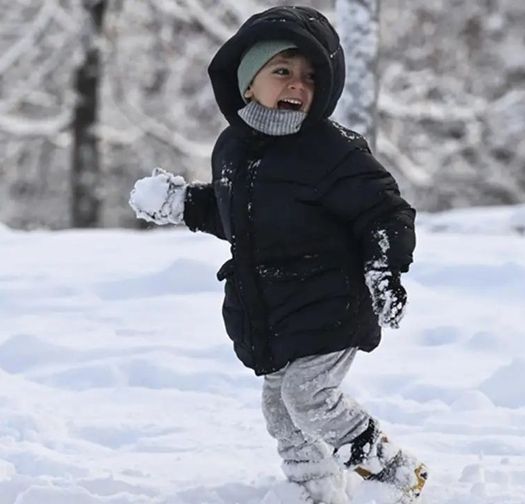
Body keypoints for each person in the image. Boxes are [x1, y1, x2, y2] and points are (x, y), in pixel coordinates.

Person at [128, 5, 427, 503]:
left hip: (332, 302)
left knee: (308, 397)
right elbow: (238, 218)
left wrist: (383, 268)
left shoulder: (333, 151)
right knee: (280, 409)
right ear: (248, 82)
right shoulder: (232, 149)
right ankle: (314, 491)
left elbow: (384, 211)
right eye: (282, 71)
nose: (298, 85)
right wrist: (184, 203)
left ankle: (396, 474)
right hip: (277, 311)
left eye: (310, 77)